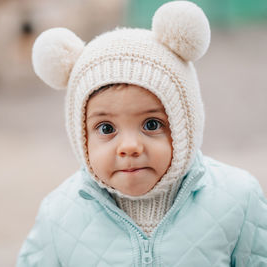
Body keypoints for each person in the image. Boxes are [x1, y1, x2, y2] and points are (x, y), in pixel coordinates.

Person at [17, 1, 267, 266]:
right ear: (82, 137)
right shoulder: (59, 215)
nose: (130, 146)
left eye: (151, 124)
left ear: (185, 125)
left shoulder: (237, 200)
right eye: (106, 129)